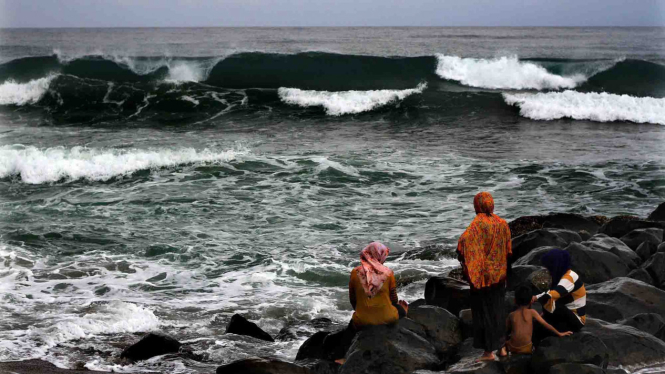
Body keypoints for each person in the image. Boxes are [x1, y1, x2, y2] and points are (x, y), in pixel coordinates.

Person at [325, 241, 408, 364]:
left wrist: (362, 310)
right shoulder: (388, 273)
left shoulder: (355, 272)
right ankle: (404, 311)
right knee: (400, 308)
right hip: (387, 318)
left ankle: (343, 357)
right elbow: (393, 300)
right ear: (380, 256)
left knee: (350, 329)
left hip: (362, 321)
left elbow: (353, 299)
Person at [457, 192, 512, 361]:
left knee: (484, 312)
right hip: (500, 275)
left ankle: (488, 353)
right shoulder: (502, 223)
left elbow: (463, 244)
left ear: (477, 205)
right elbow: (508, 249)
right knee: (498, 310)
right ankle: (502, 348)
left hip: (482, 278)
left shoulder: (477, 224)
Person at [499, 286, 573, 357]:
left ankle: (503, 350)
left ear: (515, 300)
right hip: (527, 348)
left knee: (506, 338)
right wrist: (559, 333)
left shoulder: (511, 315)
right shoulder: (532, 312)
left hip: (512, 348)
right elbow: (546, 324)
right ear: (531, 300)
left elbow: (503, 330)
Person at [532, 248, 587, 334]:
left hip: (576, 319)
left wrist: (535, 298)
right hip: (566, 313)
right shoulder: (561, 275)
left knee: (548, 300)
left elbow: (554, 293)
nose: (548, 270)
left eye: (549, 267)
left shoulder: (570, 277)